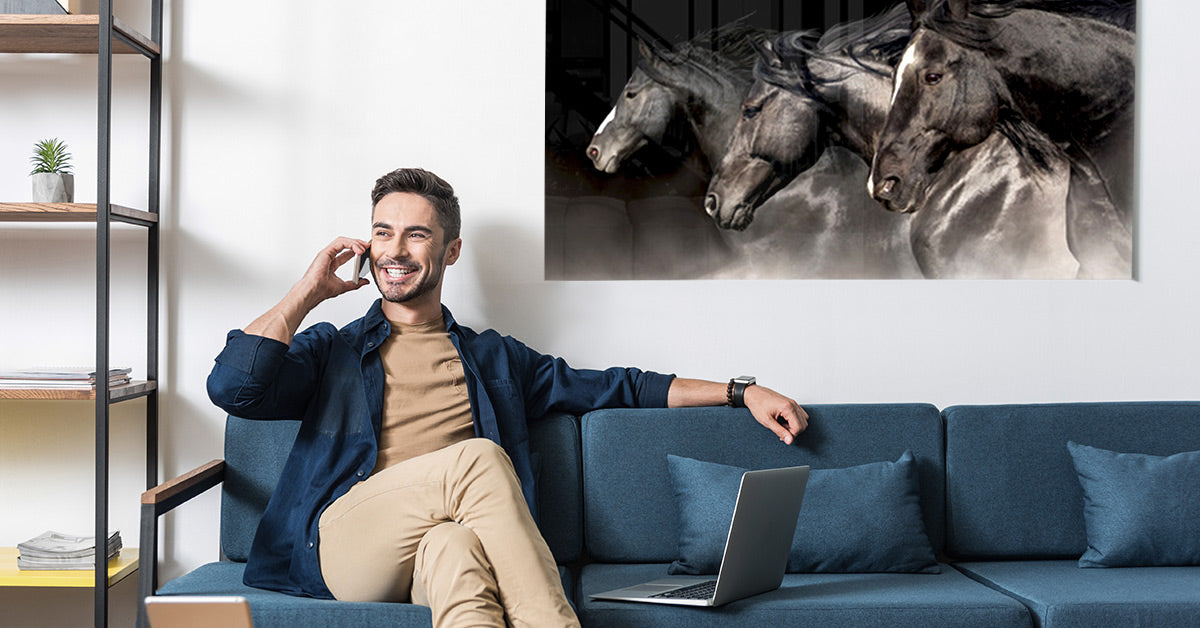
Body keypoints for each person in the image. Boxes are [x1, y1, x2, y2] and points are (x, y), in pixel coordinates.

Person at [206, 167, 809, 627]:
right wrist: (308, 291)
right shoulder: (332, 349)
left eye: (417, 235)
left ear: (450, 250)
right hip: (345, 545)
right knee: (479, 459)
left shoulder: (494, 359)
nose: (395, 249)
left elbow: (619, 385)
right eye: (383, 232)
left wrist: (740, 391)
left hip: (429, 548)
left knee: (459, 559)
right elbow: (234, 387)